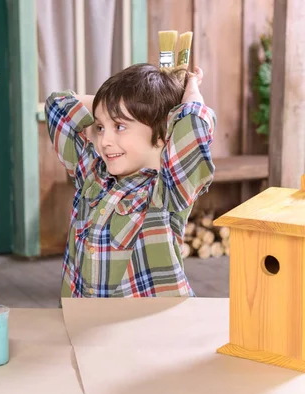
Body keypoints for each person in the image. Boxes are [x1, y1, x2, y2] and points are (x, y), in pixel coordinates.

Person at [45, 63, 216, 298]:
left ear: (163, 132)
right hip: (85, 323)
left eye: (119, 126)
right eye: (100, 127)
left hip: (150, 328)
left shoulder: (167, 191)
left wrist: (190, 90)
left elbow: (194, 127)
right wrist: (114, 104)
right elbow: (58, 106)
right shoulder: (91, 174)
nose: (104, 140)